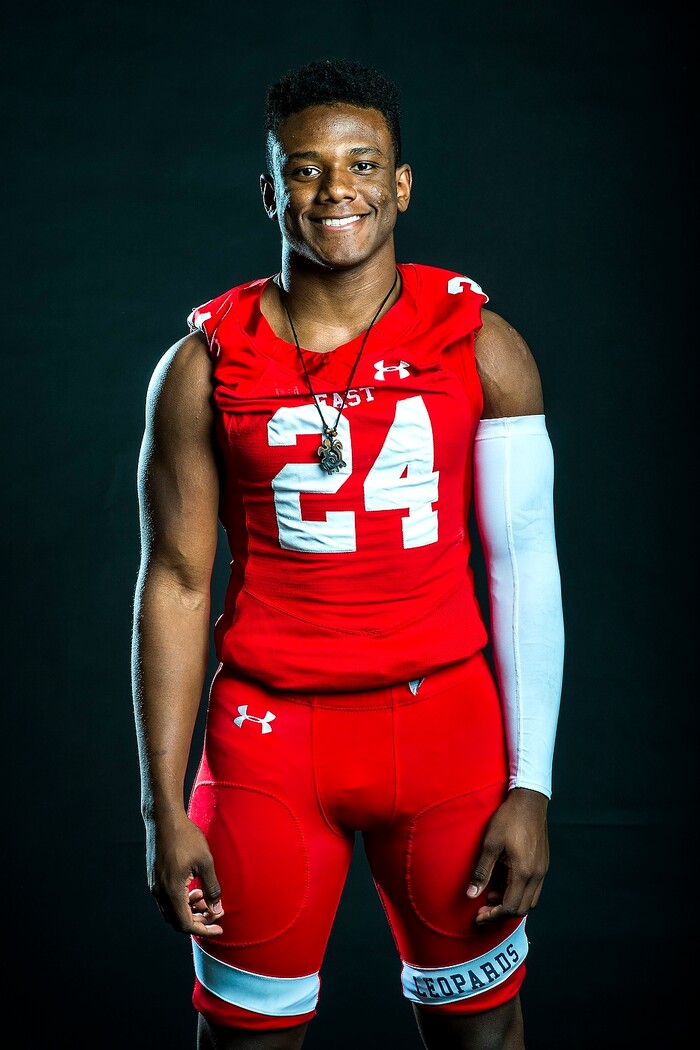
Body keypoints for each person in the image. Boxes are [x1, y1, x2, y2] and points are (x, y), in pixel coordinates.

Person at [131, 58, 564, 1050]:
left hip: (444, 730)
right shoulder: (203, 364)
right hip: (268, 739)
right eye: (306, 169)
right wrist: (162, 807)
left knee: (482, 1036)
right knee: (247, 1040)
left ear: (400, 184)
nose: (337, 192)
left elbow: (521, 570)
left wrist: (531, 784)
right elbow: (179, 581)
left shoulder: (480, 343)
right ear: (270, 188)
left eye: (363, 164)